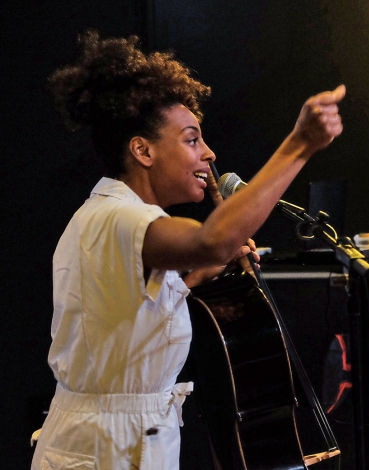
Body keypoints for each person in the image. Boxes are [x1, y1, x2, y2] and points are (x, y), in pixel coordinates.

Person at [31, 30, 345, 470]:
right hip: (103, 448)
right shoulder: (119, 217)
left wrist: (197, 278)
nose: (209, 154)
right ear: (142, 150)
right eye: (192, 140)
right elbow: (212, 239)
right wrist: (300, 144)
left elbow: (130, 321)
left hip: (128, 439)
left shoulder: (116, 217)